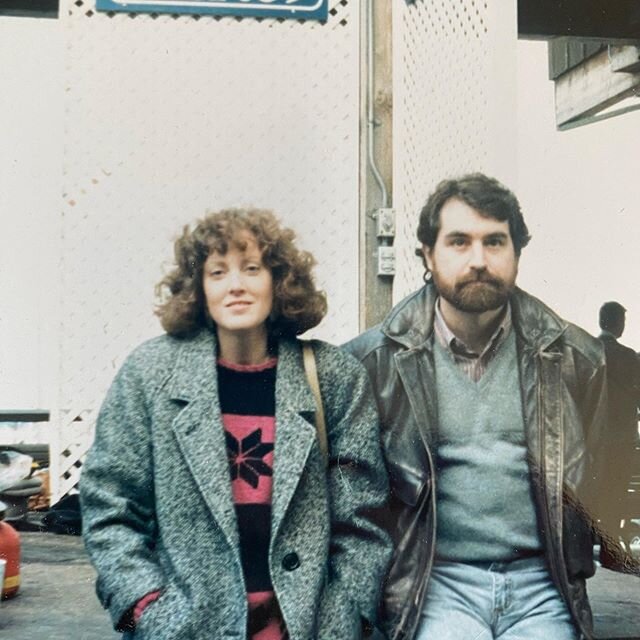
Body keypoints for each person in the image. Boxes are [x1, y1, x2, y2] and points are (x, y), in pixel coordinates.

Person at [80, 208, 391, 640]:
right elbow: (109, 506)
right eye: (218, 271)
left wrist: (346, 620)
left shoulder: (333, 377)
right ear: (199, 287)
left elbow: (363, 521)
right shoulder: (149, 376)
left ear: (279, 281)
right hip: (184, 628)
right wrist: (143, 611)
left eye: (252, 268)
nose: (236, 285)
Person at [345, 173, 607, 640]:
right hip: (434, 582)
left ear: (517, 253)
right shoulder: (373, 363)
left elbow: (594, 481)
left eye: (495, 242)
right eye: (459, 242)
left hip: (541, 585)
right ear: (428, 253)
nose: (479, 261)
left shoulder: (575, 360)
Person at [597, 301, 640, 569]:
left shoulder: (585, 351)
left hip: (591, 439)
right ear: (616, 322)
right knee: (615, 492)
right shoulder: (628, 357)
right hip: (621, 439)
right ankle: (609, 551)